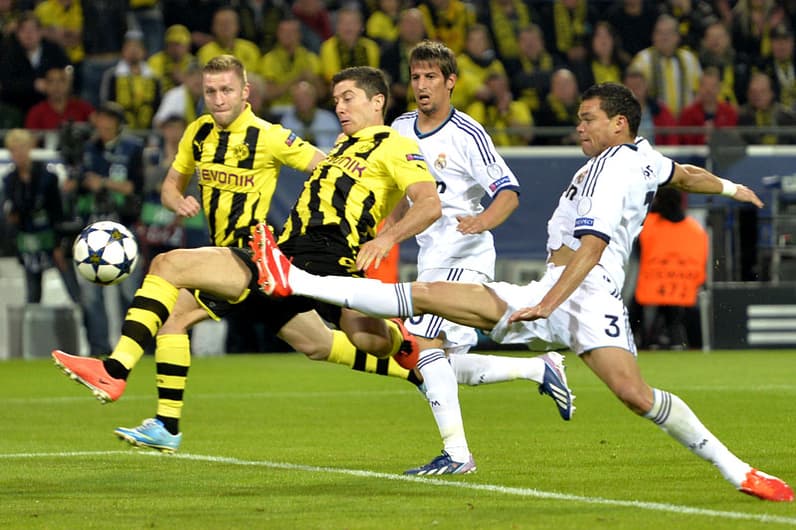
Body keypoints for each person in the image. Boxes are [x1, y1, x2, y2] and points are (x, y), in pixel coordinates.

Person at [250, 83, 794, 503]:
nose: (578, 127)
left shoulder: (611, 170)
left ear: (619, 124)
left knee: (635, 396)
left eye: (588, 119)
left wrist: (550, 304)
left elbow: (594, 244)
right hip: (549, 290)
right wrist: (731, 187)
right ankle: (295, 280)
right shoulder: (639, 158)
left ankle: (740, 470)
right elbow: (683, 173)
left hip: (585, 297)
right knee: (428, 296)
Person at [52, 62, 439, 453]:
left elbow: (330, 171)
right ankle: (411, 366)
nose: (218, 99)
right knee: (317, 344)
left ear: (245, 93)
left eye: (226, 90)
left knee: (167, 268)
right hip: (258, 259)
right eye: (210, 92)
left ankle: (114, 370)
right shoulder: (200, 132)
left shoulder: (271, 137)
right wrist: (177, 200)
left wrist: (379, 221)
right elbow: (172, 185)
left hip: (254, 256)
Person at [385, 40, 566, 475]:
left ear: (450, 82)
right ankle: (540, 368)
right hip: (431, 256)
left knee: (420, 344)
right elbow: (399, 190)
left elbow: (508, 191)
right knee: (443, 363)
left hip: (466, 254)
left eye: (431, 77)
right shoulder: (401, 128)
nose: (422, 85)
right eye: (416, 77)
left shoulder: (468, 133)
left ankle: (458, 456)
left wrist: (483, 221)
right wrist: (385, 231)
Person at [69, 101, 145, 357]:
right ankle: (98, 348)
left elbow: (136, 187)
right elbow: (75, 185)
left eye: (108, 118)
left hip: (123, 231)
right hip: (91, 230)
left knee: (129, 293)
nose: (102, 123)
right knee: (91, 296)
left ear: (117, 122)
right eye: (99, 118)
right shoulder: (87, 149)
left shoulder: (132, 148)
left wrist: (102, 183)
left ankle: (133, 347)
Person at [2, 128, 81, 305]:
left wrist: (59, 244)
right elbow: (12, 213)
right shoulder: (9, 180)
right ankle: (32, 331)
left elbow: (57, 212)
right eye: (13, 149)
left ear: (30, 147)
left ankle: (84, 326)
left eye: (21, 147)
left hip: (52, 238)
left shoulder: (47, 177)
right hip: (28, 241)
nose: (18, 153)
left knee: (74, 291)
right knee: (32, 294)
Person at [633, 187, 708, 349]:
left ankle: (639, 342)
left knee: (634, 313)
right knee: (679, 315)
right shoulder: (695, 230)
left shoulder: (648, 224)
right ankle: (692, 345)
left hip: (651, 287)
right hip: (684, 289)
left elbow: (638, 252)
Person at [24, 66, 94, 131]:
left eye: (62, 80)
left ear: (69, 84)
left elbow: (99, 127)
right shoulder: (35, 112)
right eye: (51, 81)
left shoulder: (84, 107)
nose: (56, 86)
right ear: (45, 85)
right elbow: (30, 139)